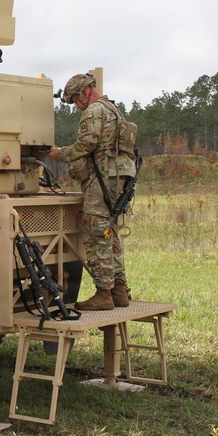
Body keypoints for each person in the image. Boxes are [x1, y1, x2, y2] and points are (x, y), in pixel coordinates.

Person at [48, 73, 136, 311]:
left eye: (76, 100)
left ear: (85, 92)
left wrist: (59, 154)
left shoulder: (94, 110)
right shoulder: (113, 109)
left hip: (102, 180)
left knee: (97, 235)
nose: (77, 106)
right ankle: (119, 291)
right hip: (118, 178)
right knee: (110, 234)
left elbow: (86, 145)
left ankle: (104, 294)